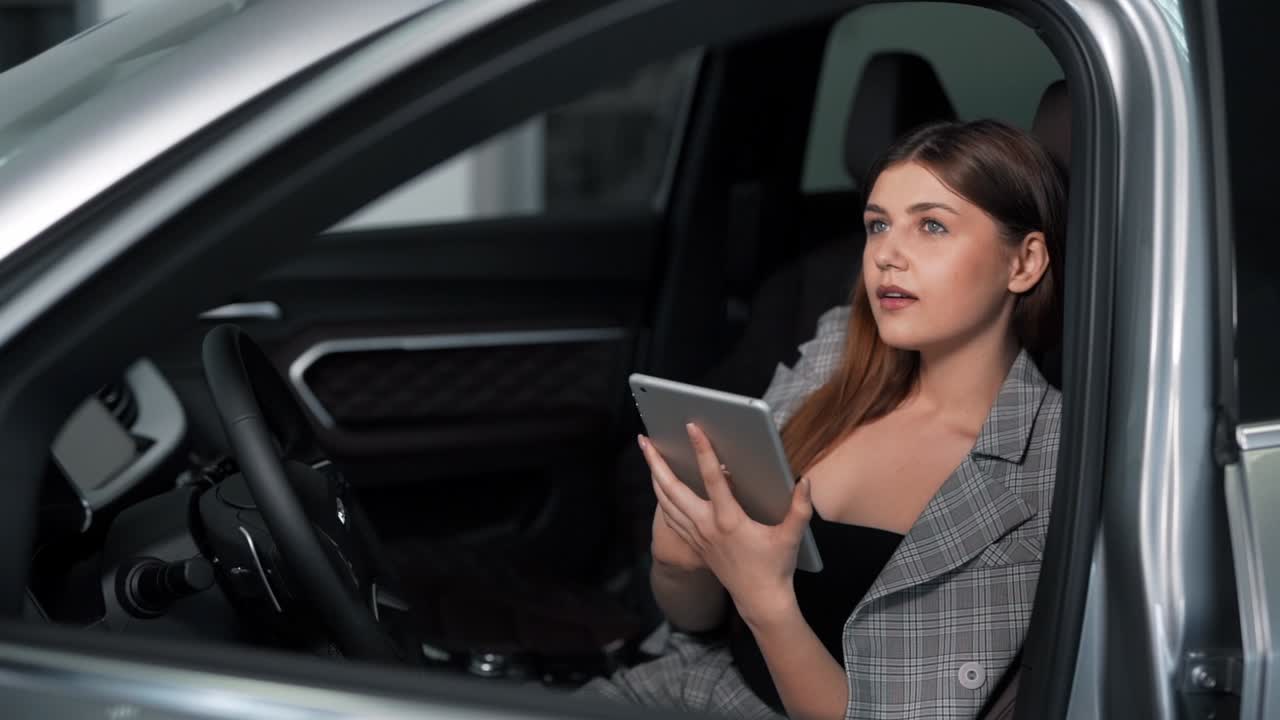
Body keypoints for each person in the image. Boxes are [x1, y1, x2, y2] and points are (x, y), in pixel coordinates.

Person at [579, 119, 1066, 719]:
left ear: (1025, 263)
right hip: (687, 691)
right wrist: (681, 561)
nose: (887, 253)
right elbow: (695, 624)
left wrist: (767, 600)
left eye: (932, 225)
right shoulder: (837, 357)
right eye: (878, 224)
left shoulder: (1042, 467)